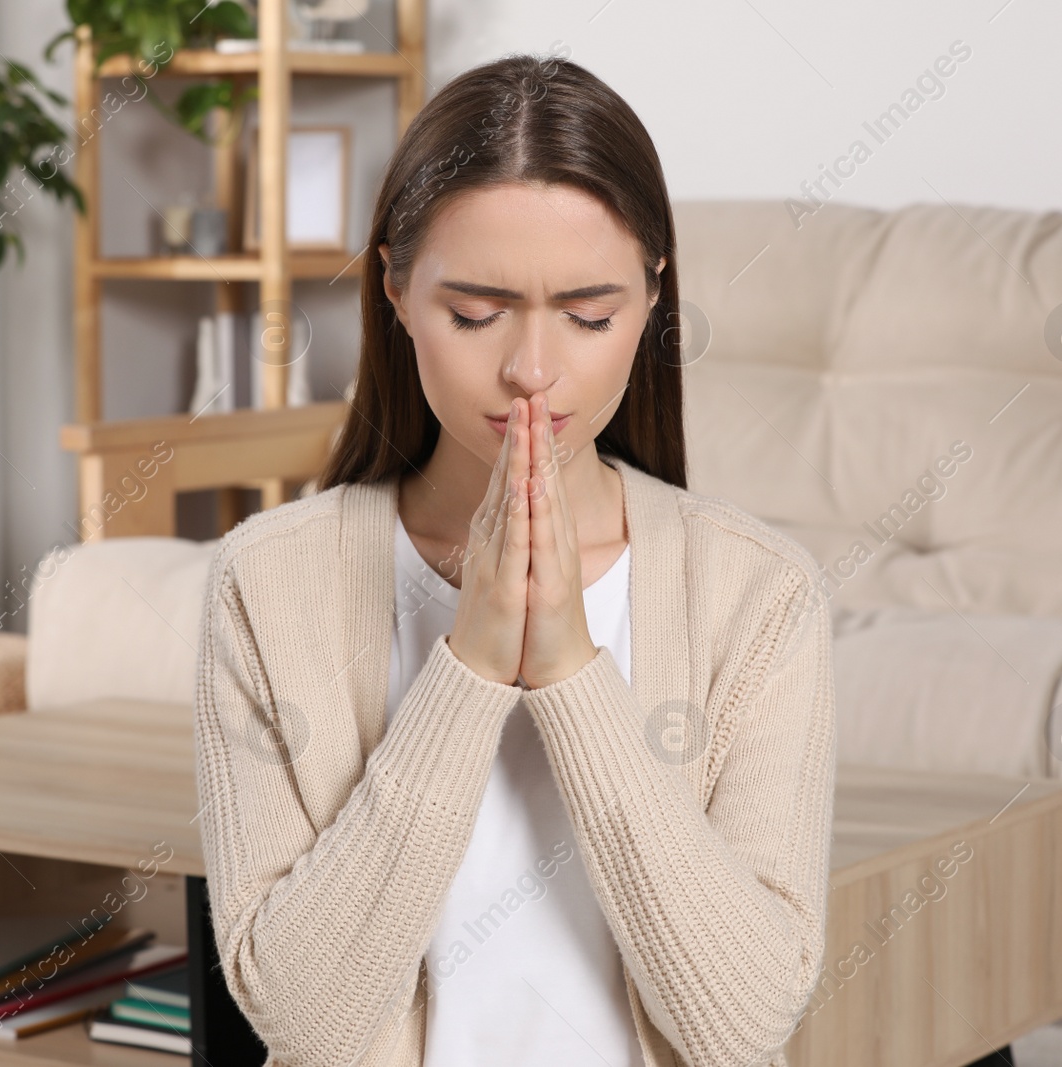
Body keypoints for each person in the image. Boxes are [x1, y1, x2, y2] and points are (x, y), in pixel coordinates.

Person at [192, 50, 836, 1067]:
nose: (532, 369)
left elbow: (744, 1021)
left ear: (654, 295)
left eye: (589, 315)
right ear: (395, 289)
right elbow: (304, 1022)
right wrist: (469, 667)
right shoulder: (264, 585)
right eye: (475, 313)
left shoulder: (756, 594)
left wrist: (575, 674)